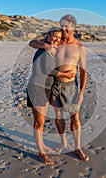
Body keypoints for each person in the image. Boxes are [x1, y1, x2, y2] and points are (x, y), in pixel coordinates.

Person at [29, 14, 89, 161]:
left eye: (66, 26)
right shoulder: (56, 42)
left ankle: (77, 147)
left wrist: (81, 91)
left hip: (70, 86)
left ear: (73, 27)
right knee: (58, 116)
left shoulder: (80, 48)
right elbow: (32, 42)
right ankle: (63, 143)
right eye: (62, 26)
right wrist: (46, 45)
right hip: (55, 85)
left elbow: (83, 71)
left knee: (74, 117)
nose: (63, 29)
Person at [27, 27, 75, 165]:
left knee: (49, 118)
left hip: (48, 88)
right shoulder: (43, 49)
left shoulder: (53, 49)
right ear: (48, 36)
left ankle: (54, 144)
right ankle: (41, 152)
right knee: (39, 122)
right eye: (54, 36)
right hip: (37, 88)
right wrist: (65, 75)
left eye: (58, 38)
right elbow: (46, 70)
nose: (56, 39)